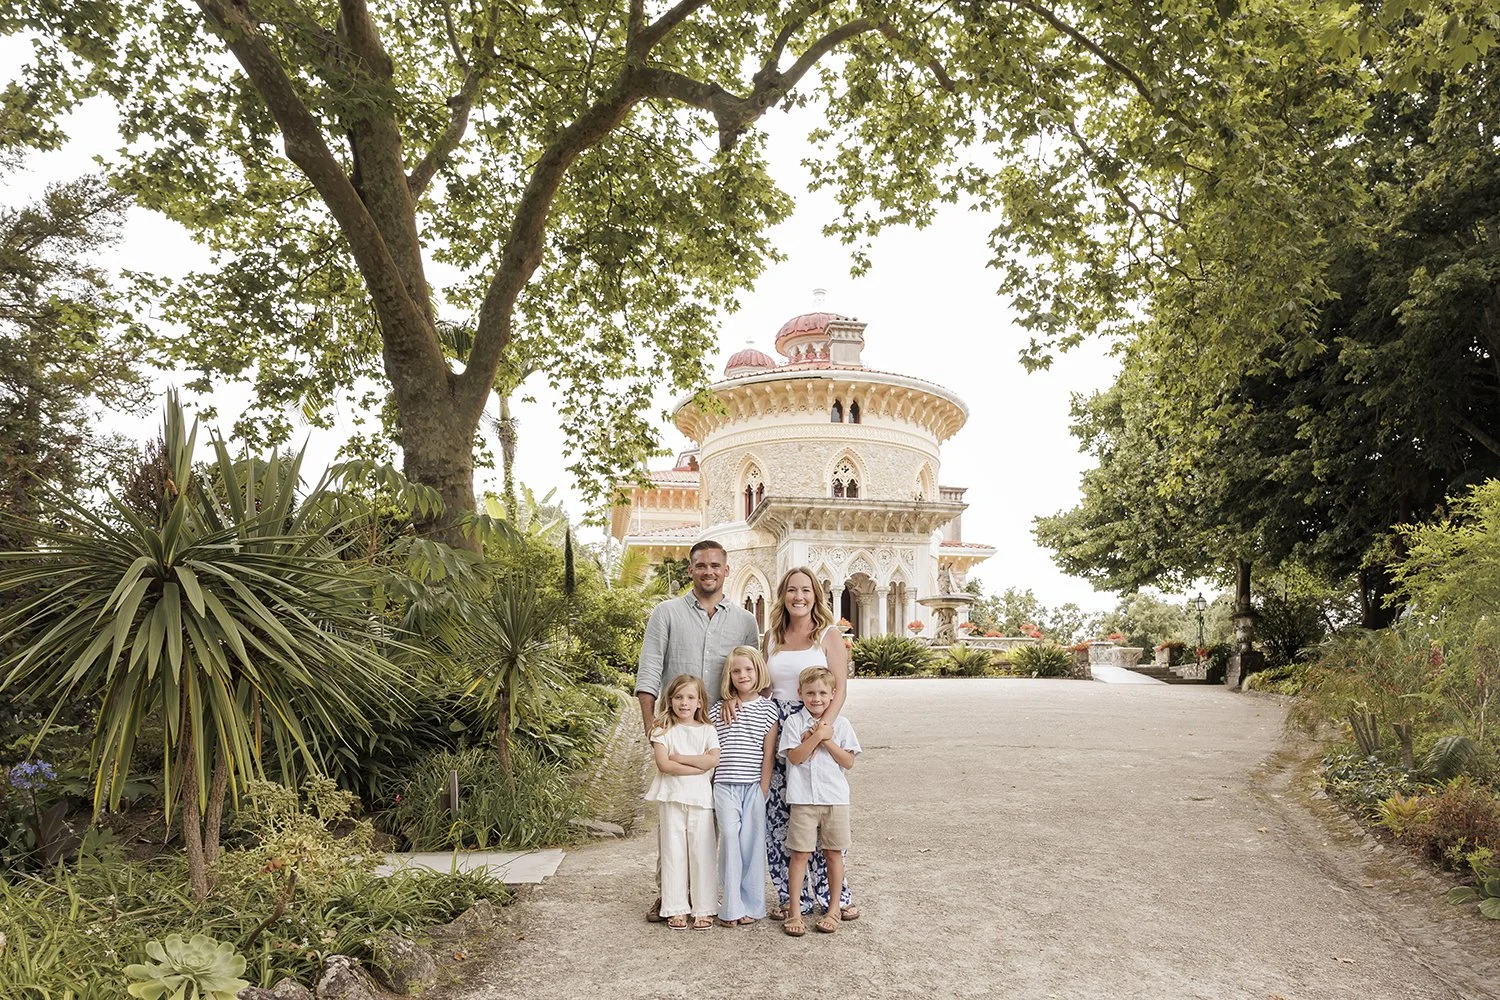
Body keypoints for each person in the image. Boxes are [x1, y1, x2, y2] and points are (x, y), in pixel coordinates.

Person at [634, 539, 759, 922]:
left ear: (726, 570)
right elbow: (649, 672)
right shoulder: (666, 613)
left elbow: (751, 672)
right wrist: (652, 729)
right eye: (701, 565)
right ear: (691, 570)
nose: (708, 572)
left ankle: (716, 895)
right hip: (675, 732)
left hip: (725, 732)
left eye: (715, 566)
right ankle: (669, 894)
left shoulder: (744, 621)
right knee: (674, 813)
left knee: (717, 814)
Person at [748, 566, 859, 921]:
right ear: (783, 594)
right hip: (777, 726)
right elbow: (763, 688)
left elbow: (839, 687)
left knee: (819, 808)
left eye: (806, 590)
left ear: (815, 595)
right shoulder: (770, 637)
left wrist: (822, 729)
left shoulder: (828, 635)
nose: (798, 596)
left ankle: (834, 898)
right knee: (780, 816)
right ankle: (789, 897)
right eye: (792, 590)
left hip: (814, 722)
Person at [778, 665, 861, 935]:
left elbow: (848, 761)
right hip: (803, 799)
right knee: (800, 854)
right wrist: (815, 736)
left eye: (823, 693)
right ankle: (794, 911)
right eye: (811, 693)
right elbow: (795, 757)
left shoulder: (842, 724)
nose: (816, 698)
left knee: (833, 853)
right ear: (800, 693)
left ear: (832, 694)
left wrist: (826, 739)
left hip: (834, 798)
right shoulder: (793, 723)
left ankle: (834, 908)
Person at [708, 646, 779, 927]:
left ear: (758, 671)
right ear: (729, 675)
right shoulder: (718, 709)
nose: (742, 675)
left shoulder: (768, 710)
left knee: (751, 846)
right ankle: (731, 906)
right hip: (725, 785)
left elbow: (769, 753)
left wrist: (762, 790)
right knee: (729, 840)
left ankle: (751, 905)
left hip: (753, 788)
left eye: (748, 669)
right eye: (736, 671)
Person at [644, 674, 720, 930]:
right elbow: (664, 764)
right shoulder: (662, 730)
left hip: (700, 798)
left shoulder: (708, 730)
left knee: (702, 852)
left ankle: (704, 907)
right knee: (673, 852)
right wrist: (696, 766)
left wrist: (681, 758)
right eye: (678, 697)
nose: (684, 703)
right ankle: (675, 907)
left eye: (690, 697)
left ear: (700, 702)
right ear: (670, 700)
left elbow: (712, 761)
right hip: (672, 797)